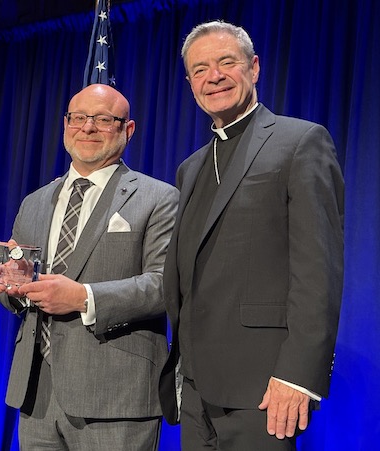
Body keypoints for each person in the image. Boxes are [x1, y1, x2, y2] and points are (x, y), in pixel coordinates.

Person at [158, 20, 344, 450]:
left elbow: (319, 272)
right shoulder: (190, 167)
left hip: (263, 388)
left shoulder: (301, 141)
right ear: (190, 84)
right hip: (196, 389)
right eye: (200, 70)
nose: (214, 76)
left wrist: (297, 376)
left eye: (227, 62)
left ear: (254, 67)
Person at [0, 84, 179, 450]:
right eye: (78, 117)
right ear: (66, 124)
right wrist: (12, 287)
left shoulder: (158, 198)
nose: (88, 127)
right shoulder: (34, 202)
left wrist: (83, 298)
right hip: (37, 392)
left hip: (115, 395)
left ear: (128, 129)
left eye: (103, 119)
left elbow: (164, 286)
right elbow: (19, 294)